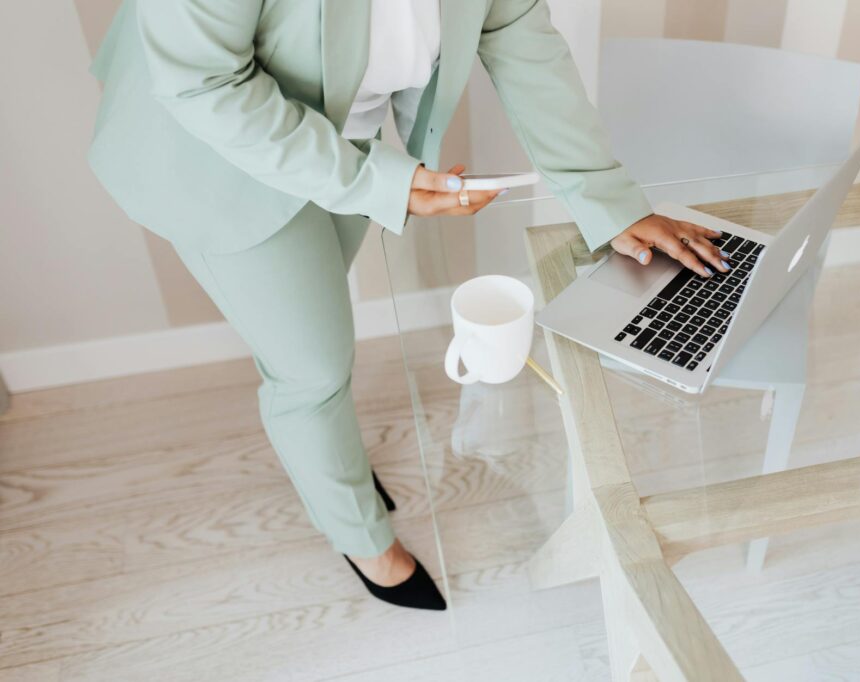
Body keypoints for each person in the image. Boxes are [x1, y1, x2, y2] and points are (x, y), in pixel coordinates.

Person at [88, 0, 730, 611]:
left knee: (319, 316)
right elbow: (204, 83)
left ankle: (334, 463)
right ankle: (361, 539)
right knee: (311, 371)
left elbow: (517, 35)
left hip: (346, 139)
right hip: (213, 160)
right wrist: (377, 183)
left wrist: (607, 200)